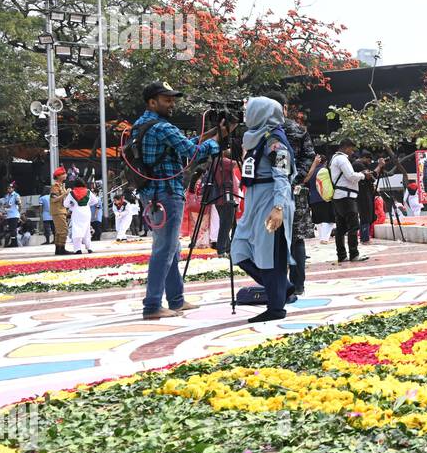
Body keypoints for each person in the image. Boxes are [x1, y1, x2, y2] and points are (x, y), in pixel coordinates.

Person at [131, 81, 228, 320]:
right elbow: (190, 152)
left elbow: (181, 145)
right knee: (164, 249)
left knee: (171, 248)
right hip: (166, 192)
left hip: (152, 193)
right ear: (152, 102)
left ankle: (176, 299)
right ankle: (152, 305)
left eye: (172, 99)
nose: (171, 103)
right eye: (166, 99)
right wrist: (215, 142)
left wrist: (207, 136)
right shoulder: (162, 127)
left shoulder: (141, 125)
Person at [231, 97, 295, 323]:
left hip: (271, 200)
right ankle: (282, 287)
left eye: (250, 111)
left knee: (271, 255)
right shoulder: (254, 139)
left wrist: (278, 207)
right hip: (255, 201)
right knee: (239, 249)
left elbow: (282, 175)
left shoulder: (274, 140)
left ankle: (276, 306)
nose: (246, 115)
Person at [270, 94, 319, 295]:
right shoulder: (298, 130)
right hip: (292, 191)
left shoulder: (263, 130)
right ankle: (296, 286)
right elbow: (309, 156)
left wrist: (291, 178)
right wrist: (295, 177)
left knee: (279, 237)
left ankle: (281, 285)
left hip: (273, 191)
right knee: (295, 239)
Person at [328, 140, 364, 263]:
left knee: (341, 228)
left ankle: (342, 255)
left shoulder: (333, 159)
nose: (352, 152)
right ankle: (354, 254)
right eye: (351, 149)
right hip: (346, 197)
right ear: (346, 147)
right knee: (353, 226)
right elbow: (351, 176)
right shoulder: (342, 159)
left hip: (338, 197)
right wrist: (363, 175)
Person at [64, 182, 94, 254]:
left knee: (76, 230)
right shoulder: (88, 191)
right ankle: (89, 247)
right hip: (86, 211)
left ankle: (78, 249)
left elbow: (65, 204)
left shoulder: (72, 193)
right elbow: (95, 201)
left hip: (77, 211)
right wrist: (87, 204)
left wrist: (72, 205)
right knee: (87, 230)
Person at [48, 168, 71, 256]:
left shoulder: (61, 185)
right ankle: (61, 248)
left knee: (59, 231)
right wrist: (65, 193)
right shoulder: (55, 187)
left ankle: (59, 249)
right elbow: (53, 199)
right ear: (58, 176)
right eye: (63, 174)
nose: (65, 175)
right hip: (58, 211)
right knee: (64, 230)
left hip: (61, 210)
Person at [0, 182, 22, 247]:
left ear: (13, 189)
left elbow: (19, 205)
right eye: (8, 188)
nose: (9, 189)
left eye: (10, 188)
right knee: (11, 229)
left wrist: (19, 213)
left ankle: (14, 243)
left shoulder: (16, 195)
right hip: (8, 215)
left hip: (14, 214)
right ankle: (13, 242)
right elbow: (5, 204)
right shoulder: (6, 196)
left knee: (13, 229)